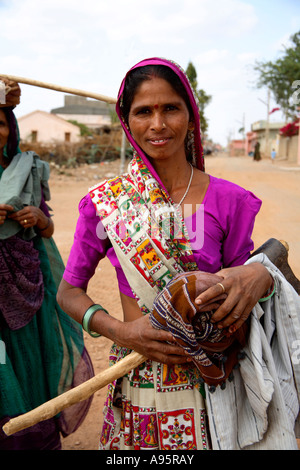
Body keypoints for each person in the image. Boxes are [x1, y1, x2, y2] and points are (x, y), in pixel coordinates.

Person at [57, 58, 300, 450]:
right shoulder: (105, 204)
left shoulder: (231, 201)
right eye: (143, 112)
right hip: (139, 381)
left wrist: (262, 275)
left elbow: (241, 295)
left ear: (191, 115)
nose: (158, 124)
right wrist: (122, 332)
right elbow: (67, 293)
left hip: (217, 385)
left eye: (170, 108)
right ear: (127, 120)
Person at [0, 80, 94, 450]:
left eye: (2, 122)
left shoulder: (29, 167)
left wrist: (38, 217)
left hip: (28, 290)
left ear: (12, 128)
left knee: (32, 362)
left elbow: (49, 228)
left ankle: (34, 439)